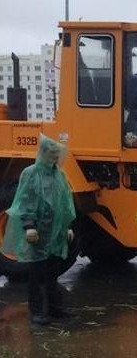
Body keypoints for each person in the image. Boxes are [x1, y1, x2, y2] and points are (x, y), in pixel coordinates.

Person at [1, 135, 76, 325]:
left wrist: (67, 227)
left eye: (57, 154)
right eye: (52, 153)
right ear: (43, 153)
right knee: (36, 275)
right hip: (38, 234)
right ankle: (35, 312)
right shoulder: (30, 173)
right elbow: (24, 202)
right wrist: (29, 227)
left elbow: (65, 204)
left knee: (52, 273)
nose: (55, 157)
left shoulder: (59, 175)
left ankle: (54, 308)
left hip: (55, 234)